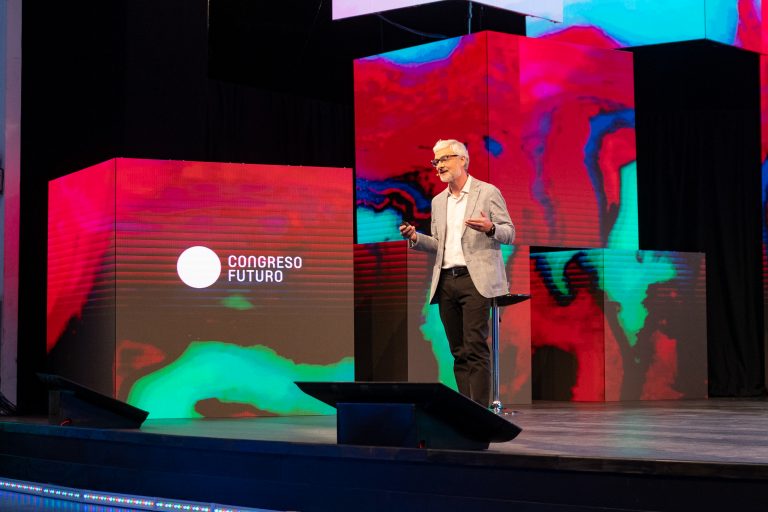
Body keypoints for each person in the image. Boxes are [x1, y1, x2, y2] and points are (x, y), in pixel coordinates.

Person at [400, 139, 515, 407]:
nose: (439, 165)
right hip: (446, 281)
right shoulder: (439, 201)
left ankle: (480, 411)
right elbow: (439, 245)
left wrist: (490, 228)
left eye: (444, 159)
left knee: (475, 346)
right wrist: (416, 238)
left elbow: (509, 233)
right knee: (459, 351)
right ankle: (466, 408)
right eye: (436, 161)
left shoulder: (487, 192)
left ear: (463, 160)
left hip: (475, 281)